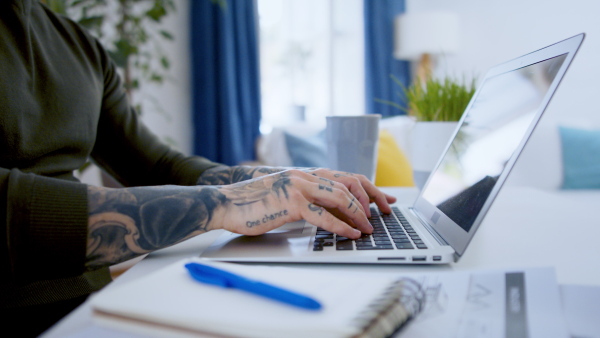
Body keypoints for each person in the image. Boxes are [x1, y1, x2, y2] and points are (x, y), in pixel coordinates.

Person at [0, 1, 396, 335]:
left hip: (96, 305)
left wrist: (279, 181)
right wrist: (223, 204)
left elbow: (157, 164)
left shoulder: (77, 45)